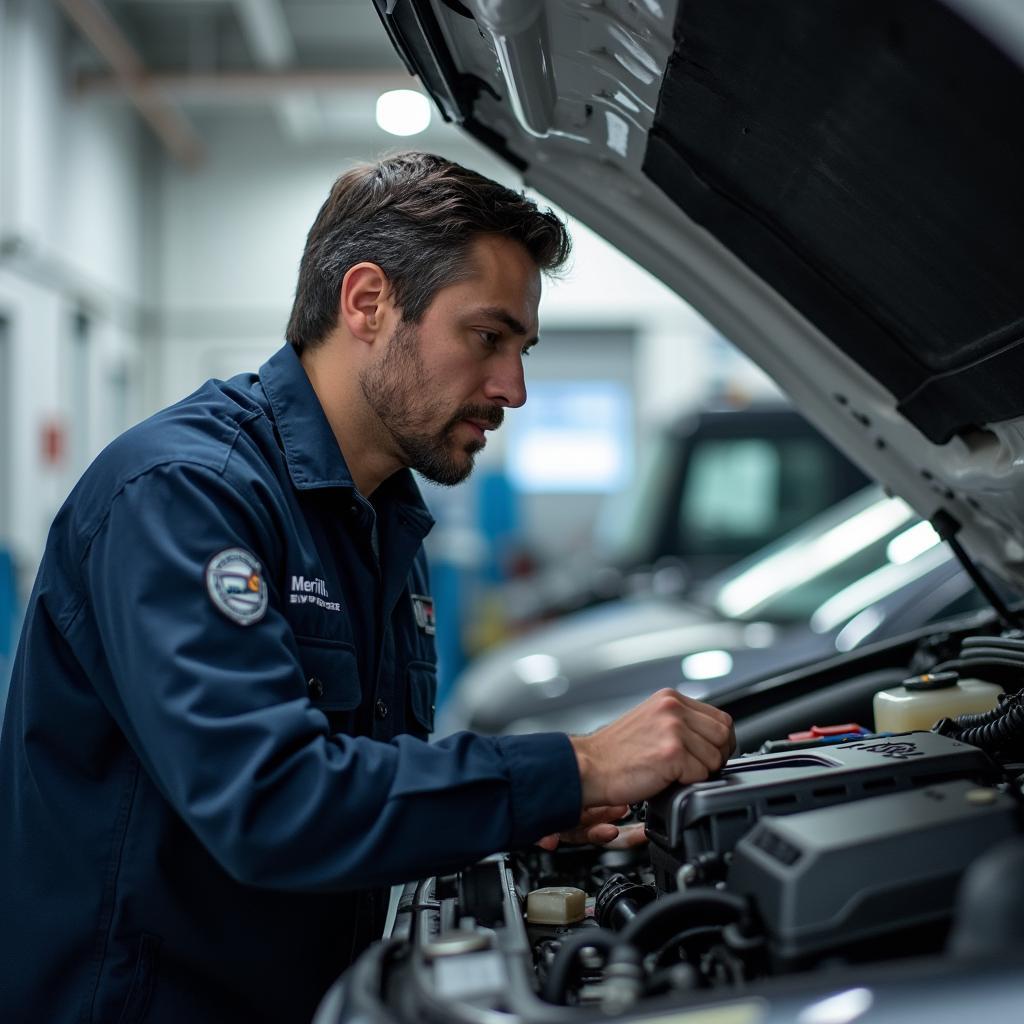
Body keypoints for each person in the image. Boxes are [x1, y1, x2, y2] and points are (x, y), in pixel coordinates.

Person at [0, 153, 734, 1024]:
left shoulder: (383, 519)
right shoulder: (184, 496)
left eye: (522, 349)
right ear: (368, 302)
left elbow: (364, 777)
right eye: (488, 337)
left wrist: (517, 810)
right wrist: (572, 767)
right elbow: (271, 802)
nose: (515, 388)